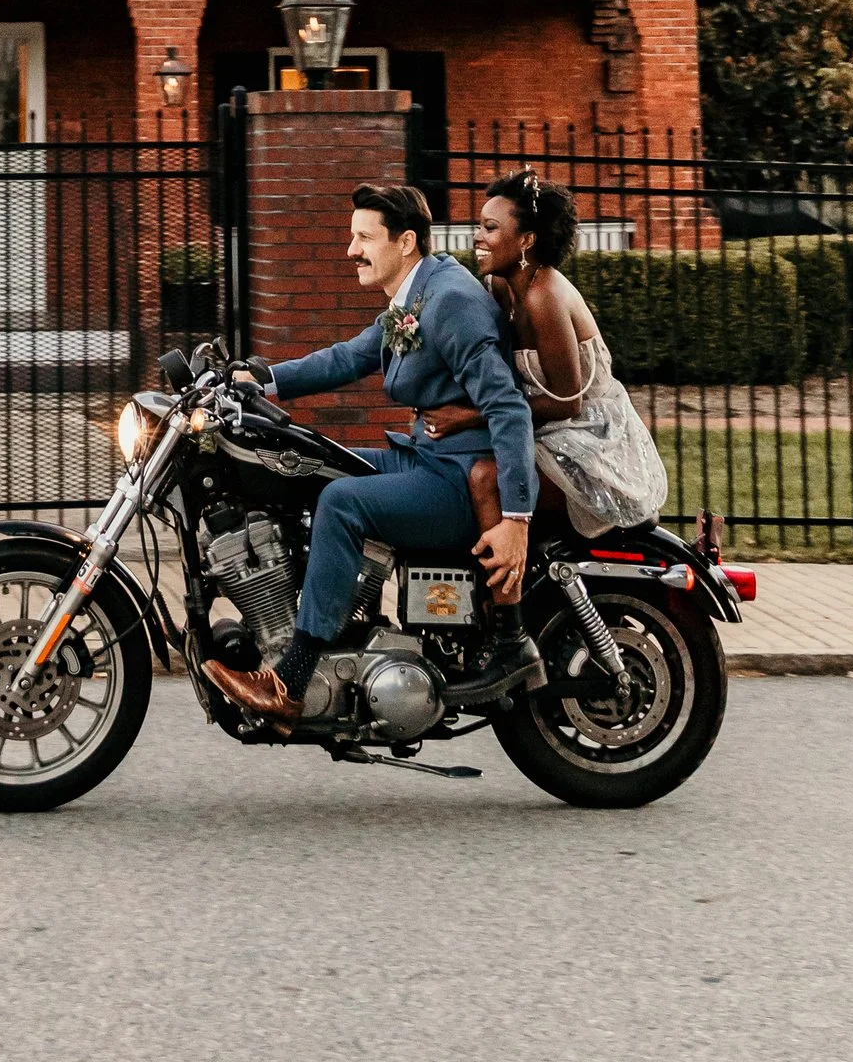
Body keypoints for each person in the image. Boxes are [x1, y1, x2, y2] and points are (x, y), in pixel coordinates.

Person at [201, 181, 543, 724]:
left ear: (405, 242)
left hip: (454, 479)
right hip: (428, 458)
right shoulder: (418, 292)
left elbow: (508, 407)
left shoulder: (448, 301)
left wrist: (516, 519)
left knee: (341, 500)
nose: (351, 250)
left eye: (364, 237)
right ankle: (333, 628)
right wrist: (256, 377)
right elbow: (351, 357)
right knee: (315, 467)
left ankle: (291, 680)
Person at [427, 171, 669, 546]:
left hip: (585, 439)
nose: (477, 237)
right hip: (537, 429)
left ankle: (505, 597)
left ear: (526, 240)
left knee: (485, 477)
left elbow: (567, 401)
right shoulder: (499, 285)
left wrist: (470, 416)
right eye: (479, 226)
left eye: (490, 228)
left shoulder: (544, 296)